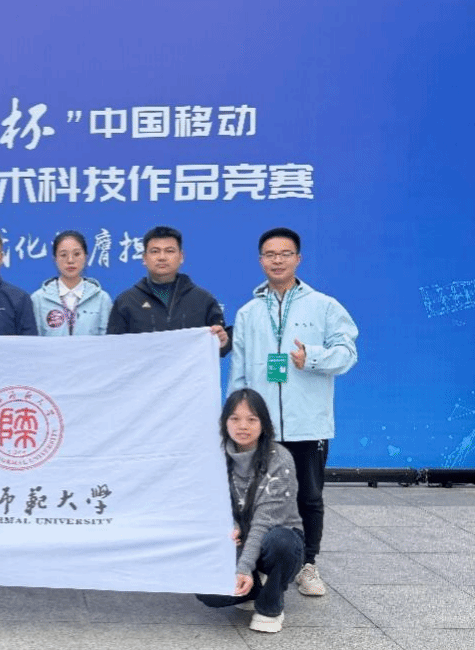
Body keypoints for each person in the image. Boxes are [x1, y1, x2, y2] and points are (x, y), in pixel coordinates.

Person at [228, 227, 358, 597]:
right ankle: (256, 564)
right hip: (260, 427)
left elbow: (348, 353)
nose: (277, 260)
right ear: (260, 261)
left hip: (308, 424)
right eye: (270, 254)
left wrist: (312, 357)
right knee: (253, 497)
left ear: (298, 259)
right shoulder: (249, 312)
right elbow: (238, 372)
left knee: (309, 497)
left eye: (285, 254)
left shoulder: (324, 306)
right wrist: (236, 419)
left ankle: (307, 565)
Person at [197, 388, 305, 633]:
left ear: (264, 424)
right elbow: (208, 504)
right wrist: (229, 525)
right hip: (239, 541)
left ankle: (271, 604)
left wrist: (243, 568)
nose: (242, 426)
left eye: (252, 419)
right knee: (208, 592)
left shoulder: (279, 459)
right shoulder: (214, 457)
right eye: (235, 418)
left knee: (281, 542)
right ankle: (254, 587)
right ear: (224, 423)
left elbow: (264, 521)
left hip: (275, 537)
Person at [106, 225, 230, 354]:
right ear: (144, 258)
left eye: (169, 251)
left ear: (181, 257)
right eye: (155, 251)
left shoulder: (203, 300)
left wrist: (223, 342)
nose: (162, 257)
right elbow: (114, 350)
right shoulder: (126, 301)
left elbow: (220, 346)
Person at [31, 230, 112, 336]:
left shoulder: (101, 299)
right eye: (63, 255)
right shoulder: (38, 299)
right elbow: (33, 341)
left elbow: (108, 341)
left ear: (86, 257)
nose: (70, 260)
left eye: (77, 254)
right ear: (55, 259)